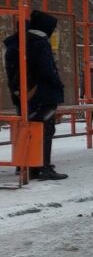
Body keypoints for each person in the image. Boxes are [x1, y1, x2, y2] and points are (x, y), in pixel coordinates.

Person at [4, 9, 67, 180]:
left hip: (23, 95)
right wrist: (58, 85)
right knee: (45, 129)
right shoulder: (40, 43)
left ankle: (26, 164)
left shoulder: (16, 42)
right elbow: (46, 70)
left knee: (26, 128)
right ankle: (42, 166)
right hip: (42, 95)